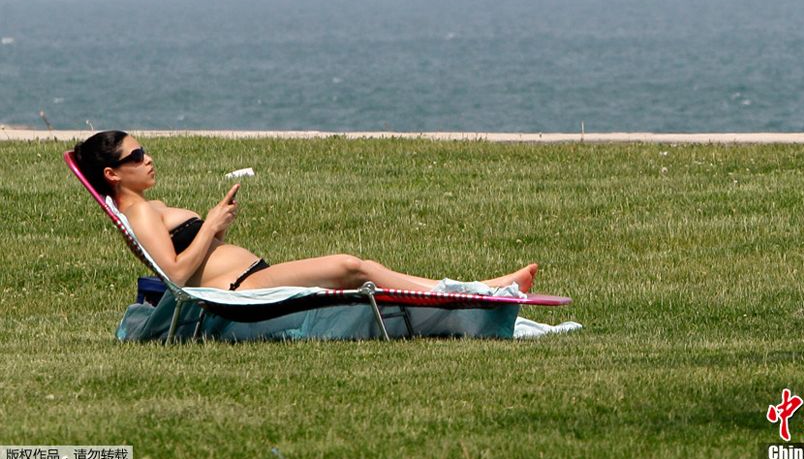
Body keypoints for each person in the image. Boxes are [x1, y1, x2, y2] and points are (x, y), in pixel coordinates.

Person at [73, 131, 538, 293]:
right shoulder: (138, 215)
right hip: (244, 287)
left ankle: (474, 289)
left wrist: (214, 226)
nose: (147, 159)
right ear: (113, 175)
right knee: (352, 266)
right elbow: (173, 273)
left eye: (145, 150)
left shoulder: (147, 207)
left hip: (253, 276)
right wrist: (211, 225)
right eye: (135, 157)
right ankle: (474, 291)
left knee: (356, 271)